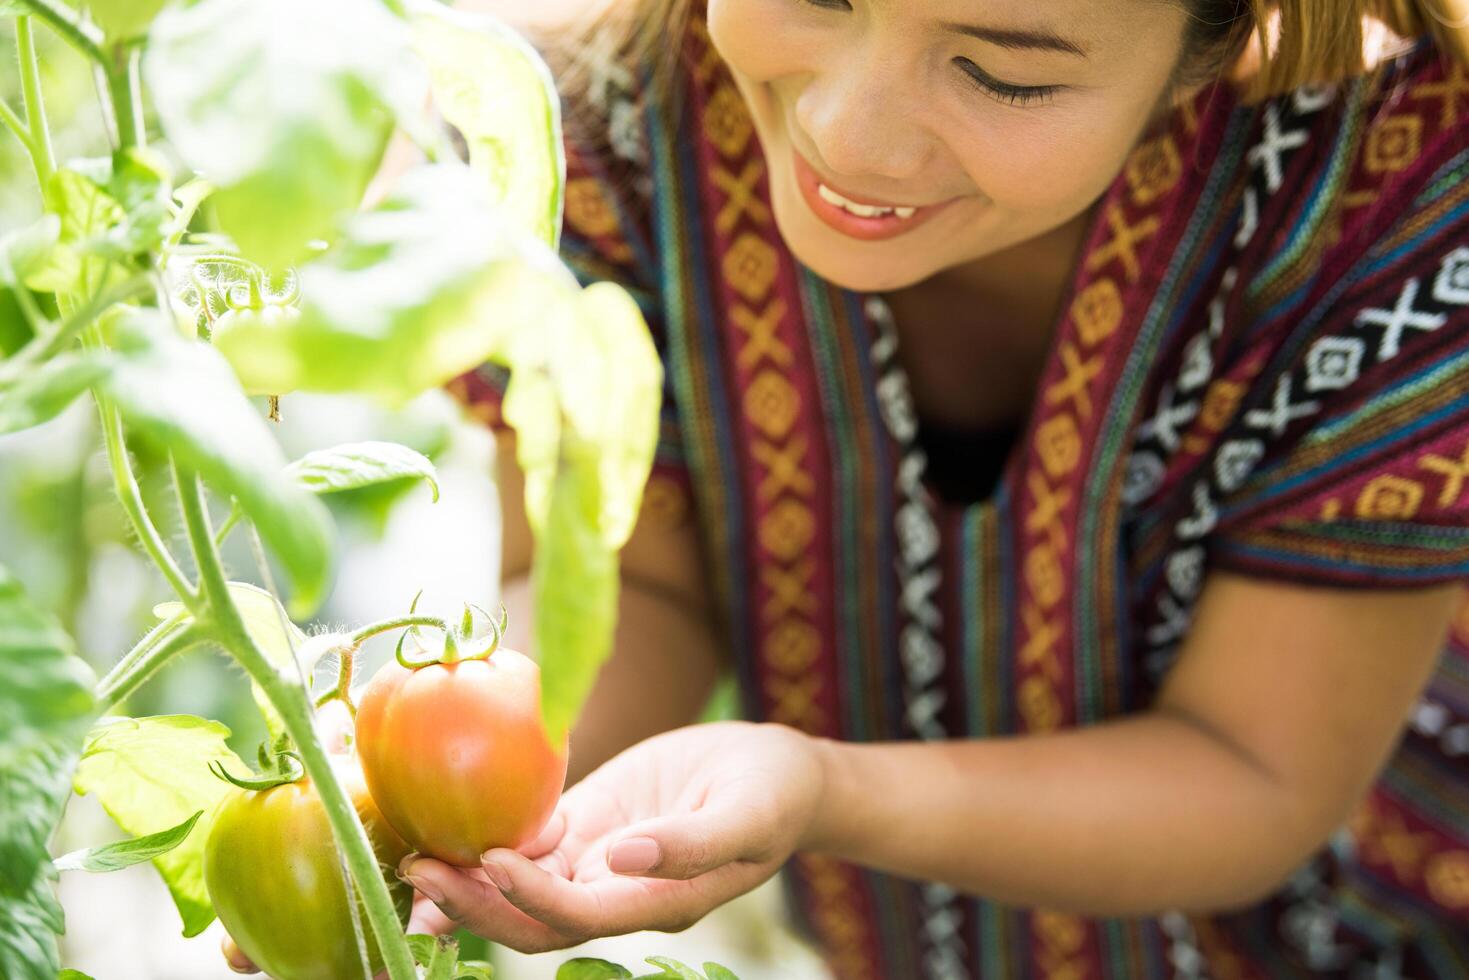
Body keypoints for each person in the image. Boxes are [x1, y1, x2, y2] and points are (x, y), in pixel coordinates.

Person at [227, 0, 1469, 976]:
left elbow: (1252, 770)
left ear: (1213, 43)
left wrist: (827, 788)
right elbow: (636, 590)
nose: (847, 134)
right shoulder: (581, 150)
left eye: (1003, 71)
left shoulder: (1395, 193)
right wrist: (419, 800)